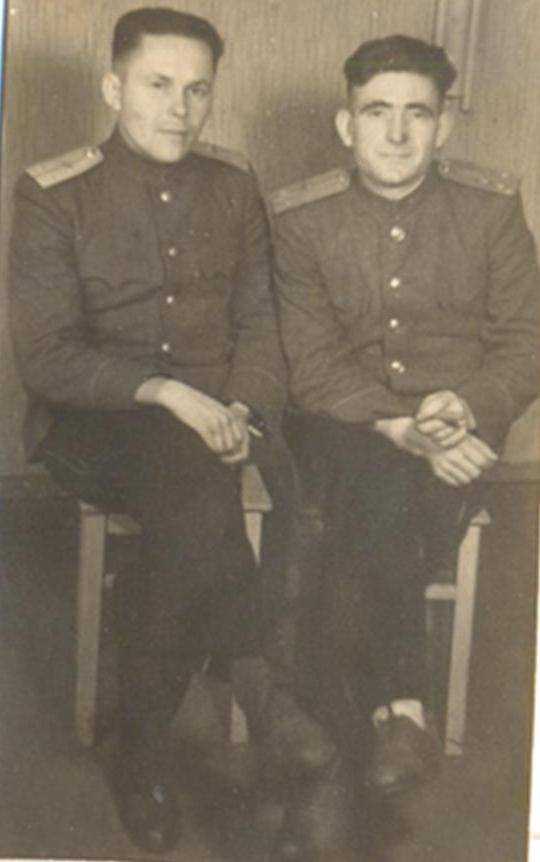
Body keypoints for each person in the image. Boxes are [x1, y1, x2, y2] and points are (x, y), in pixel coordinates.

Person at [9, 8, 335, 854]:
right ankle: (256, 683)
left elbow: (260, 325)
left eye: (197, 90)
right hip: (97, 422)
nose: (179, 108)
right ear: (113, 88)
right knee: (192, 484)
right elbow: (46, 356)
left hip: (219, 421)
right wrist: (165, 393)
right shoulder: (54, 192)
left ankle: (143, 752)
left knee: (191, 506)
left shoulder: (232, 185)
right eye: (158, 85)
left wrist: (245, 410)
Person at [272, 34, 540, 799]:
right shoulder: (300, 218)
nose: (396, 133)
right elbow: (309, 360)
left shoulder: (490, 210)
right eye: (376, 112)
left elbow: (525, 342)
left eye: (417, 114)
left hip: (457, 433)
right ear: (345, 124)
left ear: (443, 125)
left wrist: (467, 408)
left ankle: (326, 716)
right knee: (378, 479)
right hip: (338, 424)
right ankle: (403, 709)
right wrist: (397, 426)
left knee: (379, 499)